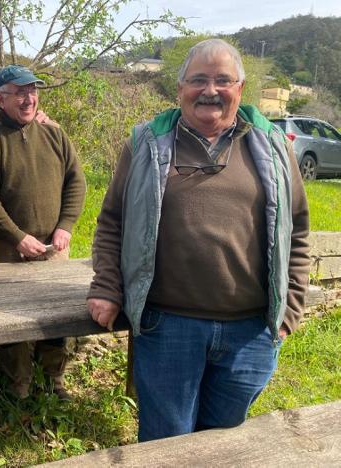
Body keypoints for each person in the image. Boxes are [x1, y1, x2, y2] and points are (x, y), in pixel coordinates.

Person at [87, 38, 310, 442]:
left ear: (240, 90)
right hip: (168, 326)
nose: (210, 90)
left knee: (221, 441)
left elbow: (297, 230)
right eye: (198, 80)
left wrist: (290, 308)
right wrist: (106, 286)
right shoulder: (145, 144)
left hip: (250, 332)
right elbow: (112, 222)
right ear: (180, 89)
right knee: (166, 443)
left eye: (223, 80)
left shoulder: (275, 146)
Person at [0, 65, 86, 399]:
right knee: (11, 320)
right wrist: (17, 237)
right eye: (20, 91)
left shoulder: (54, 133)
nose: (29, 99)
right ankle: (18, 387)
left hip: (55, 246)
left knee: (57, 318)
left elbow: (76, 181)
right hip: (12, 249)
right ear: (1, 98)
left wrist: (65, 226)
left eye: (33, 91)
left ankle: (54, 378)